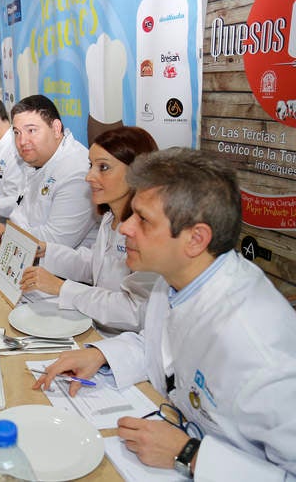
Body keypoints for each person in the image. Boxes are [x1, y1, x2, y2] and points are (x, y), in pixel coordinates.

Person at [35, 148, 296, 480]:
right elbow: (163, 348)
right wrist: (102, 354)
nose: (126, 228)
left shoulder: (257, 346)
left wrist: (190, 455)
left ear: (195, 239)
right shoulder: (173, 281)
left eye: (143, 219)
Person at [19, 127, 159, 333]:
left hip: (122, 342)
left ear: (137, 173)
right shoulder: (110, 217)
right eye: (91, 165)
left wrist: (62, 288)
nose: (89, 177)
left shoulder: (150, 235)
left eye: (103, 167)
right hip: (96, 327)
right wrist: (46, 251)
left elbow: (135, 311)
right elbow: (94, 264)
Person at [0, 95, 97, 248]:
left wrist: (5, 233)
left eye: (31, 130)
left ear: (56, 129)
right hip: (21, 250)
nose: (22, 141)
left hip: (57, 268)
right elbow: (22, 211)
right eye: (17, 133)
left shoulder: (76, 171)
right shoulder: (38, 160)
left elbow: (56, 241)